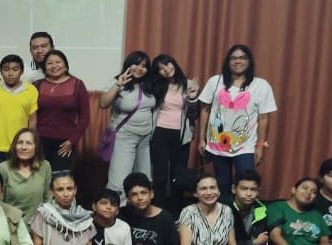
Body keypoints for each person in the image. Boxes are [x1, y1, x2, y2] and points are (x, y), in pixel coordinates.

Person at [197, 44, 276, 198]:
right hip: (217, 144)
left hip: (245, 145)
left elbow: (263, 118)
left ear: (249, 61)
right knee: (222, 185)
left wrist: (260, 146)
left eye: (242, 58)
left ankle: (244, 213)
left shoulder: (261, 85)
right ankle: (225, 212)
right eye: (233, 58)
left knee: (246, 185)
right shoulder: (215, 81)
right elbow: (205, 110)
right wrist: (201, 138)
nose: (237, 61)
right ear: (228, 62)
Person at [99, 51, 156, 202]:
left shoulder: (148, 84)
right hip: (124, 137)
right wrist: (118, 85)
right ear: (128, 64)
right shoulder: (118, 81)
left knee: (144, 178)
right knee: (119, 180)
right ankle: (115, 211)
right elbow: (103, 103)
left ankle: (140, 210)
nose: (140, 68)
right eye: (136, 64)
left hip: (145, 138)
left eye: (144, 66)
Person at [147, 54, 200, 202]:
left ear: (173, 63)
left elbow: (194, 115)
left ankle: (177, 208)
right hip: (160, 132)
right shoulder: (156, 86)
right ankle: (158, 206)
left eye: (167, 64)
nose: (166, 69)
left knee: (178, 175)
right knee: (160, 174)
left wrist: (192, 98)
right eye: (161, 68)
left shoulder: (189, 84)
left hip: (182, 135)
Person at [34, 49, 89, 170]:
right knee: (40, 176)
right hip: (39, 142)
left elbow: (85, 117)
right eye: (49, 63)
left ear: (65, 65)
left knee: (60, 177)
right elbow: (31, 115)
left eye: (58, 62)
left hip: (65, 143)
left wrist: (72, 141)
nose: (54, 66)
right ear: (45, 67)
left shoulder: (77, 84)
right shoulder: (37, 85)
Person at [0, 55, 38, 169]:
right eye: (6, 69)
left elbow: (32, 121)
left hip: (21, 148)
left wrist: (30, 145)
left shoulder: (31, 90)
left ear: (22, 71)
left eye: (15, 69)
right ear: (1, 72)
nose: (10, 73)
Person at [0, 128, 52, 218]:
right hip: (11, 222)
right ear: (14, 146)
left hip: (38, 224)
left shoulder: (45, 166)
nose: (24, 147)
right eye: (20, 143)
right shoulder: (3, 168)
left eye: (29, 143)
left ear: (36, 147)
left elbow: (47, 199)